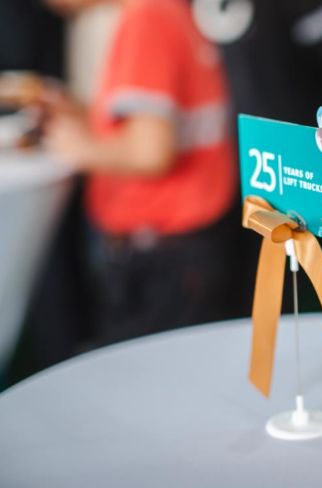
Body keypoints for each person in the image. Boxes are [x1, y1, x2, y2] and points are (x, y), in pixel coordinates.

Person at [43, 0, 239, 344]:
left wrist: (74, 144)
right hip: (194, 245)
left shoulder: (146, 18)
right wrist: (84, 118)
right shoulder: (171, 10)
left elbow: (151, 152)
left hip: (163, 254)